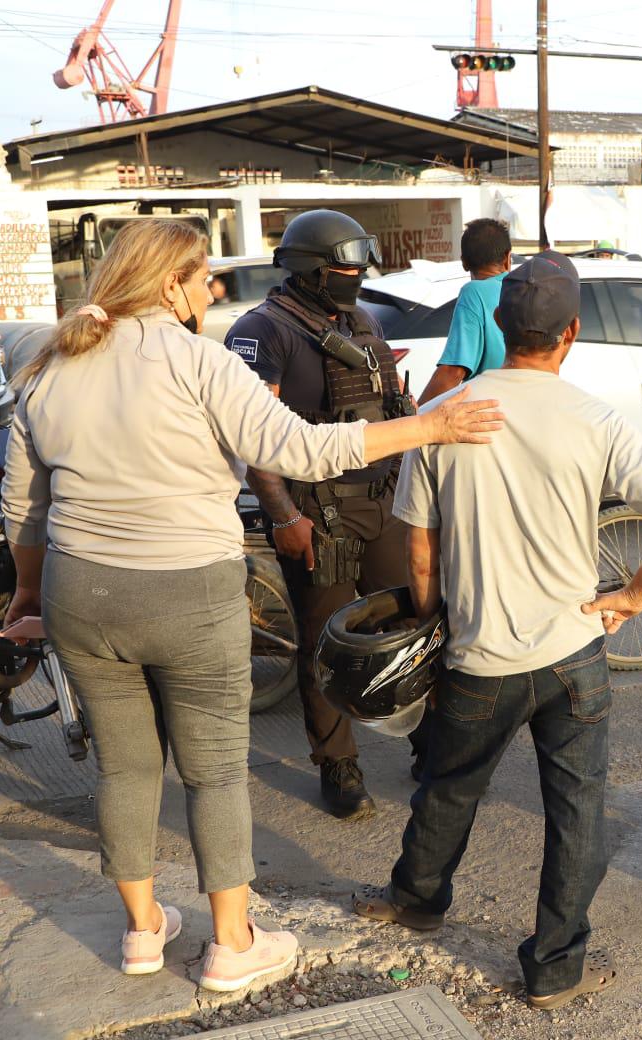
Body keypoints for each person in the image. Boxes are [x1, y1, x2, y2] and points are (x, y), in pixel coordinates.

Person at [0, 219, 501, 992]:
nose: (214, 288)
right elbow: (302, 450)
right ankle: (231, 943)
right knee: (213, 773)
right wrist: (432, 425)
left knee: (126, 770)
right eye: (202, 275)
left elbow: (24, 508)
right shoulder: (201, 364)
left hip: (79, 591)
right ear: (168, 284)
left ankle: (141, 933)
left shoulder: (51, 366)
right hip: (184, 589)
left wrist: (30, 593)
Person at [350, 252, 642, 1010]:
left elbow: (420, 548)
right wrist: (633, 596)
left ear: (500, 326)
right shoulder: (598, 419)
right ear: (571, 332)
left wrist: (436, 622)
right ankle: (555, 969)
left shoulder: (450, 416)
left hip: (479, 654)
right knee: (577, 812)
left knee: (448, 788)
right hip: (575, 653)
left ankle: (416, 901)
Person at [225, 209, 419, 817]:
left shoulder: (359, 320)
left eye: (359, 268)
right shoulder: (262, 330)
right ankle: (339, 766)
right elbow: (251, 436)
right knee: (326, 644)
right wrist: (283, 515)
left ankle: (430, 746)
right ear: (310, 269)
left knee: (412, 626)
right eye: (343, 268)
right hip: (318, 511)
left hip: (383, 500)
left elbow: (393, 405)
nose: (355, 278)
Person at [417, 217, 513, 405]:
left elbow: (454, 372)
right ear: (508, 257)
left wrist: (415, 417)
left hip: (491, 416)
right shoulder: (524, 287)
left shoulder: (474, 292)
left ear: (464, 262)